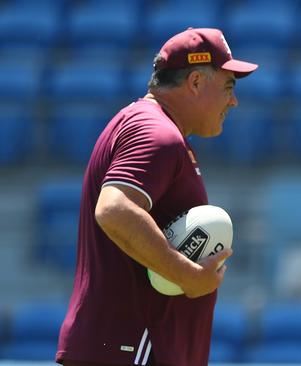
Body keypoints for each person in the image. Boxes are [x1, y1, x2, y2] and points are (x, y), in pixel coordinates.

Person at [56, 28, 257, 366]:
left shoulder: (144, 123)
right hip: (133, 348)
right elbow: (114, 209)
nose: (233, 100)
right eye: (228, 86)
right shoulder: (157, 133)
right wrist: (187, 274)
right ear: (195, 82)